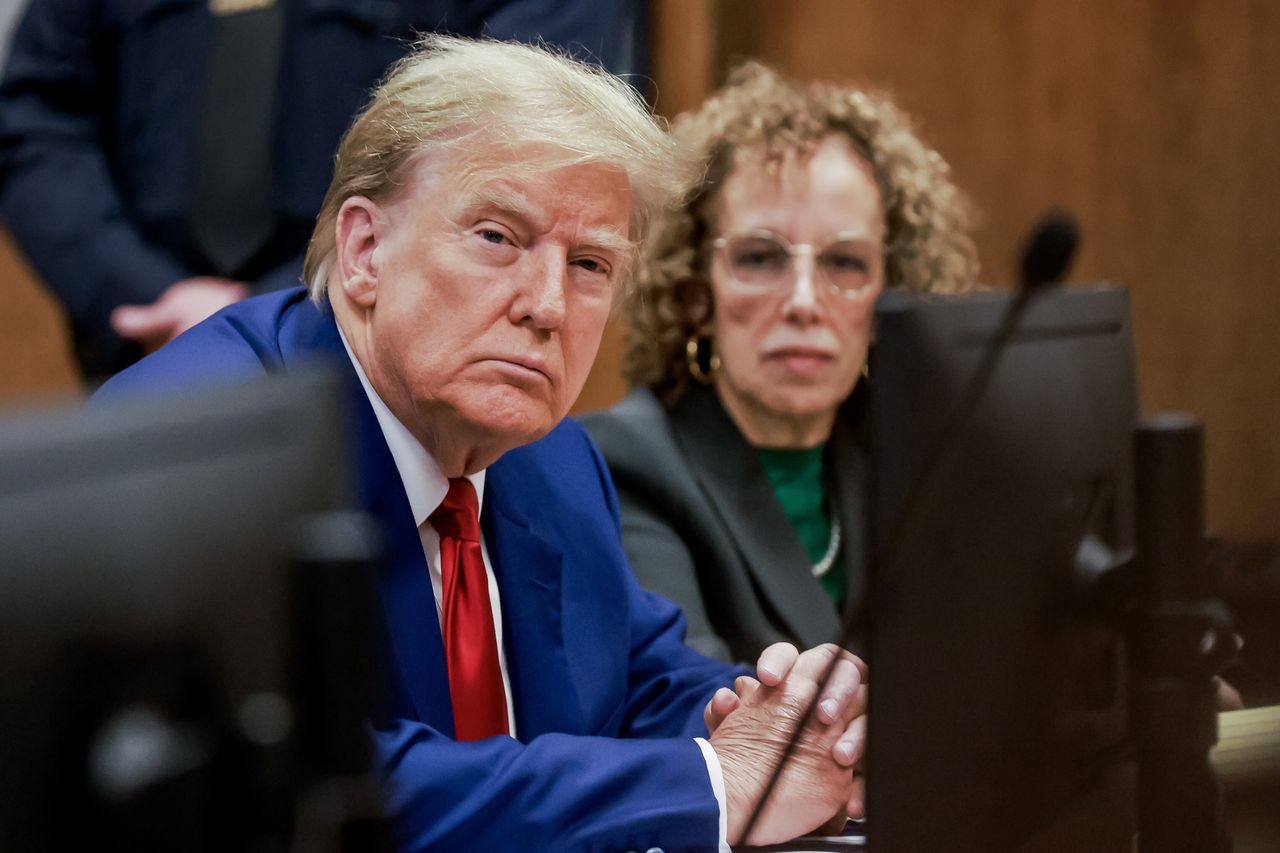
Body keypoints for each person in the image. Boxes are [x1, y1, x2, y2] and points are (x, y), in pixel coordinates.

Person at [93, 38, 869, 851]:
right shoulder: (207, 448)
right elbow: (320, 785)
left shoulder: (551, 458)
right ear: (365, 250)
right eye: (498, 237)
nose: (547, 305)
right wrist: (716, 783)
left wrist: (792, 730)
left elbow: (640, 679)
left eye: (590, 263)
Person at [0, 0, 644, 381]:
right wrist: (144, 293)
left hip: (382, 375)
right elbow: (37, 118)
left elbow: (534, 132)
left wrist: (266, 311)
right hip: (144, 349)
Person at [582, 63, 980, 664]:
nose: (802, 303)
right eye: (760, 258)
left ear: (890, 295)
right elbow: (699, 703)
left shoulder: (909, 466)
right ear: (696, 291)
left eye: (845, 263)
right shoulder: (628, 466)